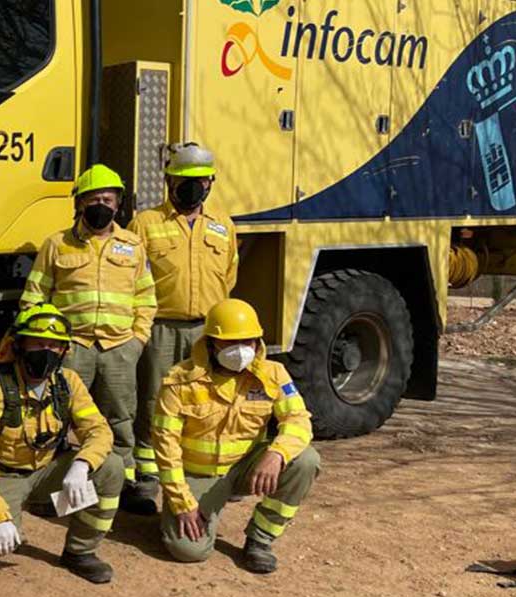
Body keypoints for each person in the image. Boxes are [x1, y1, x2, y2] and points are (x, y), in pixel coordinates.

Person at [21, 164, 156, 514]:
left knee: (119, 418)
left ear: (118, 204)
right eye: (94, 199)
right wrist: (44, 342)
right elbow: (35, 295)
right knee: (59, 419)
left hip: (118, 348)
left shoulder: (133, 245)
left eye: (108, 199)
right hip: (72, 347)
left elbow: (146, 297)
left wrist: (137, 340)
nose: (101, 205)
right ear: (80, 204)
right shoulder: (56, 244)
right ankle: (56, 489)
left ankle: (120, 484)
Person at [151, 299, 319, 573]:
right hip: (199, 475)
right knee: (188, 550)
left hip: (246, 469)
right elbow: (165, 446)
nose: (241, 350)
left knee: (306, 461)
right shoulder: (180, 380)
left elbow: (299, 419)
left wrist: (276, 454)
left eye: (249, 341)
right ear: (211, 342)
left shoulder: (273, 374)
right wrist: (181, 501)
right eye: (230, 343)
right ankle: (182, 514)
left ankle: (260, 540)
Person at [0, 304, 126, 583]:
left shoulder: (68, 383)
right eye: (38, 343)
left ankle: (80, 551)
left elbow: (99, 431)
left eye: (54, 345)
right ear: (20, 345)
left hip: (48, 470)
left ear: (64, 351)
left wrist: (81, 465)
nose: (46, 352)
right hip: (5, 475)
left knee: (111, 467)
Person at [129, 142, 239, 502]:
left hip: (206, 330)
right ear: (167, 181)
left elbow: (230, 275)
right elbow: (130, 277)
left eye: (200, 181)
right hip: (160, 328)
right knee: (153, 402)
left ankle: (198, 473)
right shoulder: (145, 223)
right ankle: (147, 481)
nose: (192, 188)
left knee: (204, 402)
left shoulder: (223, 225)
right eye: (182, 180)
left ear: (211, 183)